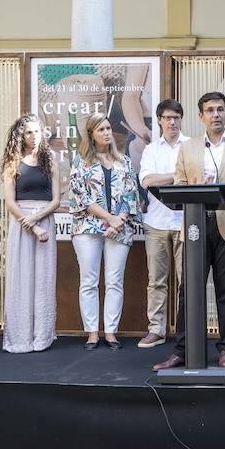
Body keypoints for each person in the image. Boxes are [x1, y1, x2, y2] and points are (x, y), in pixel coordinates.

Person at [153, 91, 225, 370]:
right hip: (195, 226)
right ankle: (182, 350)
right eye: (210, 110)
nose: (216, 114)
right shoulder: (188, 148)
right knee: (188, 290)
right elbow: (179, 183)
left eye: (220, 109)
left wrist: (224, 192)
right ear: (201, 116)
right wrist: (197, 192)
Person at [69, 112, 141, 351]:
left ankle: (110, 332)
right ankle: (92, 333)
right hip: (88, 227)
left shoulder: (125, 161)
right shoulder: (80, 162)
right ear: (91, 134)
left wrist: (118, 220)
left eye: (108, 128)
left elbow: (132, 194)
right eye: (101, 129)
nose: (107, 132)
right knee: (89, 282)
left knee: (114, 281)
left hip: (119, 227)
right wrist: (109, 219)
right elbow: (80, 197)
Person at [0, 113, 61, 353]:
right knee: (21, 278)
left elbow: (56, 200)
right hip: (22, 223)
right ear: (21, 136)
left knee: (44, 278)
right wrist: (32, 225)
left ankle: (42, 337)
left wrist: (38, 218)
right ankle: (20, 338)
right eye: (28, 132)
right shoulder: (12, 162)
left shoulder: (50, 160)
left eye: (37, 131)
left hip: (44, 220)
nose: (33, 136)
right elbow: (10, 202)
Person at [137, 99, 189, 348]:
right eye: (167, 118)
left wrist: (164, 179)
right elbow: (147, 181)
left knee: (186, 281)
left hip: (185, 222)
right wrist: (177, 176)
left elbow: (197, 179)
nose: (172, 122)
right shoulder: (151, 150)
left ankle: (186, 331)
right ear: (159, 120)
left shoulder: (191, 147)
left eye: (176, 117)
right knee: (156, 280)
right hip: (156, 223)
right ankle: (156, 330)